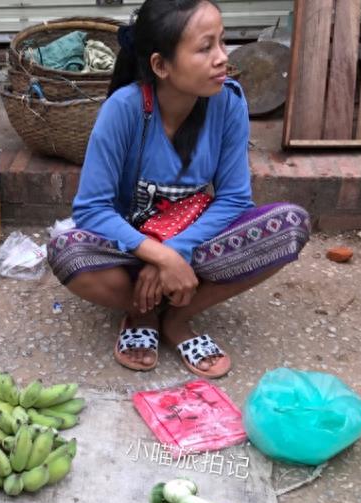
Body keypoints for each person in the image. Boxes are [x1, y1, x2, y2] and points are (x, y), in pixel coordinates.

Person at [47, 0, 310, 378]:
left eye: (222, 42)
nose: (223, 58)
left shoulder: (229, 103)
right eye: (205, 48)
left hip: (192, 243)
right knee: (66, 251)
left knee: (289, 225)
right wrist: (159, 257)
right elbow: (92, 209)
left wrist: (175, 252)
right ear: (161, 65)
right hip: (129, 247)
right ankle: (142, 311)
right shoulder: (123, 109)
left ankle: (177, 318)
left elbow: (235, 198)